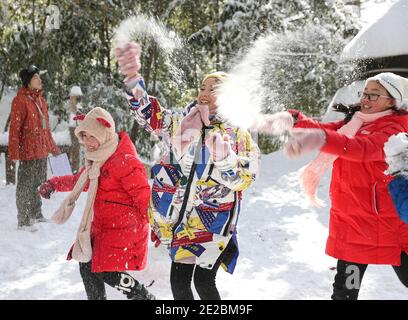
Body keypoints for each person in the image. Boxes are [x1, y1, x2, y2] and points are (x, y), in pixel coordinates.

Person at [114, 42, 260, 300]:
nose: (204, 93)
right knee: (179, 286)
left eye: (214, 90)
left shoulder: (238, 132)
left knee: (204, 283)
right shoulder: (185, 122)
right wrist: (133, 80)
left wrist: (225, 158)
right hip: (183, 221)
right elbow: (154, 117)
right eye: (203, 87)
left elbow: (244, 178)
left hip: (214, 222)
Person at [263, 72, 408, 300]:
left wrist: (319, 139)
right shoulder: (356, 121)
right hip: (355, 227)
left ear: (393, 101)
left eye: (374, 95)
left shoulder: (396, 129)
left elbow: (362, 148)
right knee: (344, 294)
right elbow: (328, 130)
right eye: (365, 94)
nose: (366, 100)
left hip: (391, 228)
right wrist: (294, 119)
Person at [38, 107, 154, 300]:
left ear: (104, 133)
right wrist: (54, 184)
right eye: (83, 136)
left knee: (103, 268)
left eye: (92, 136)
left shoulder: (124, 161)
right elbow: (80, 180)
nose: (87, 142)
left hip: (125, 228)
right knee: (86, 264)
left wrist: (158, 226)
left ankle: (142, 296)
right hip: (104, 227)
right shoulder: (97, 160)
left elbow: (144, 197)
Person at [8, 65, 61, 231]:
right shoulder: (20, 100)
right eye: (36, 77)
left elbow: (46, 129)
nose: (40, 80)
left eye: (39, 77)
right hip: (27, 151)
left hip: (41, 151)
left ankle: (36, 214)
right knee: (25, 186)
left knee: (39, 185)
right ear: (28, 82)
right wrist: (14, 153)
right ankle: (23, 220)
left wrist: (53, 148)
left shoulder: (41, 100)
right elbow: (15, 129)